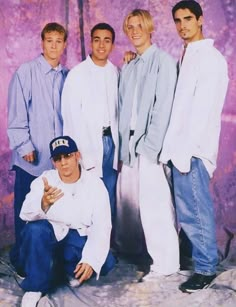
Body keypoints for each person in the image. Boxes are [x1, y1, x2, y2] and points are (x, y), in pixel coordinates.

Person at [160, 0, 229, 292]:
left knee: (196, 210)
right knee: (185, 209)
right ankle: (192, 256)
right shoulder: (187, 55)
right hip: (179, 148)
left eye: (188, 18)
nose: (182, 25)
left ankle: (205, 268)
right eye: (177, 20)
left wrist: (188, 151)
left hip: (193, 149)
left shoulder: (211, 59)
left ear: (200, 20)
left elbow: (205, 111)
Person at [14, 135, 116, 307]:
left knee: (106, 262)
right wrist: (43, 204)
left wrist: (90, 259)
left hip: (74, 240)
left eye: (67, 156)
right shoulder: (45, 180)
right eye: (58, 158)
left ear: (77, 156)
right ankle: (35, 287)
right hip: (49, 238)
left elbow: (102, 225)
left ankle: (63, 268)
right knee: (35, 230)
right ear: (54, 162)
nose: (63, 162)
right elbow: (25, 214)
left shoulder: (95, 184)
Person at [118, 9, 179, 278]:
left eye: (139, 25)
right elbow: (123, 109)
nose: (134, 31)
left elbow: (163, 108)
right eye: (129, 26)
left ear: (150, 27)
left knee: (156, 206)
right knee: (129, 204)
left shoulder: (164, 62)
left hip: (149, 145)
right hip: (129, 146)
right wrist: (125, 148)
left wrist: (150, 147)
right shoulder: (129, 67)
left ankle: (166, 265)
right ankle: (136, 254)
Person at [7, 22, 68, 261]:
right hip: (32, 158)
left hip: (58, 161)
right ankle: (22, 261)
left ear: (64, 45)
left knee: (54, 211)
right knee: (27, 210)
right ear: (42, 42)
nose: (53, 45)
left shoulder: (67, 76)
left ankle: (48, 259)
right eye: (49, 40)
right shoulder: (26, 71)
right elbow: (16, 111)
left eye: (58, 41)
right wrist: (24, 145)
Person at [61, 23, 118, 223]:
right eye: (97, 39)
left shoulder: (115, 72)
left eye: (107, 40)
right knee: (88, 193)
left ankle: (106, 246)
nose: (102, 45)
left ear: (112, 45)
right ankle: (83, 245)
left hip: (111, 141)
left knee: (109, 193)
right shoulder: (77, 74)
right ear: (91, 42)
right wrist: (81, 153)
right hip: (86, 143)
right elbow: (71, 118)